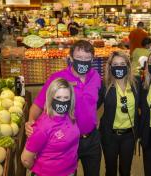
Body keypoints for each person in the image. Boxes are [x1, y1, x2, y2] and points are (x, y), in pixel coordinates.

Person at [25, 40, 102, 176]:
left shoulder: (95, 77)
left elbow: (96, 101)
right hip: (68, 140)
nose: (83, 62)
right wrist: (31, 121)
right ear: (71, 58)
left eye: (87, 58)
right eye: (79, 58)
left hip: (92, 138)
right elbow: (38, 104)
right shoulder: (58, 78)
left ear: (92, 59)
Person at [21, 78, 79, 176]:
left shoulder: (70, 116)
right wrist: (42, 171)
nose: (62, 101)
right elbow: (25, 159)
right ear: (50, 98)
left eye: (66, 98)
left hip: (70, 170)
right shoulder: (42, 127)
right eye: (58, 97)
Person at [98, 51, 140, 176]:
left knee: (125, 170)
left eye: (122, 63)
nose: (119, 67)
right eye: (115, 64)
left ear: (128, 66)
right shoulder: (104, 85)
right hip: (109, 135)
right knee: (110, 170)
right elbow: (92, 105)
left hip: (129, 135)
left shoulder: (136, 83)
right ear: (110, 67)